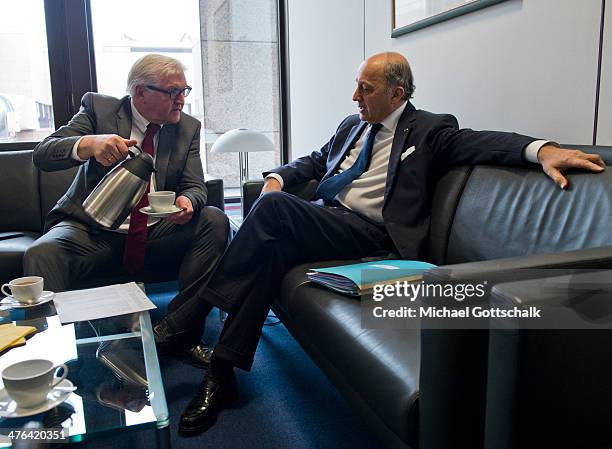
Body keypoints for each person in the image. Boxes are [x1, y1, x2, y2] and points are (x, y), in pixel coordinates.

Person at [153, 52, 605, 435]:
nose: (355, 96)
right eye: (357, 86)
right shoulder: (352, 124)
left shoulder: (430, 130)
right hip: (327, 219)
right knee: (271, 242)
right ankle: (221, 372)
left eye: (365, 88)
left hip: (371, 234)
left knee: (271, 212)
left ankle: (190, 317)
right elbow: (314, 161)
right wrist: (276, 177)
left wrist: (543, 150)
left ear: (397, 93)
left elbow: (482, 143)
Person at [24, 54, 229, 367]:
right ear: (140, 92)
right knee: (42, 253)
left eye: (184, 91)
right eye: (173, 92)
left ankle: (178, 333)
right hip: (89, 228)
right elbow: (44, 154)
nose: (181, 101)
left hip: (154, 230)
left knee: (214, 219)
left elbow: (195, 186)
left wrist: (188, 202)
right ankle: (61, 357)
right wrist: (90, 144)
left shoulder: (187, 127)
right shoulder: (99, 109)